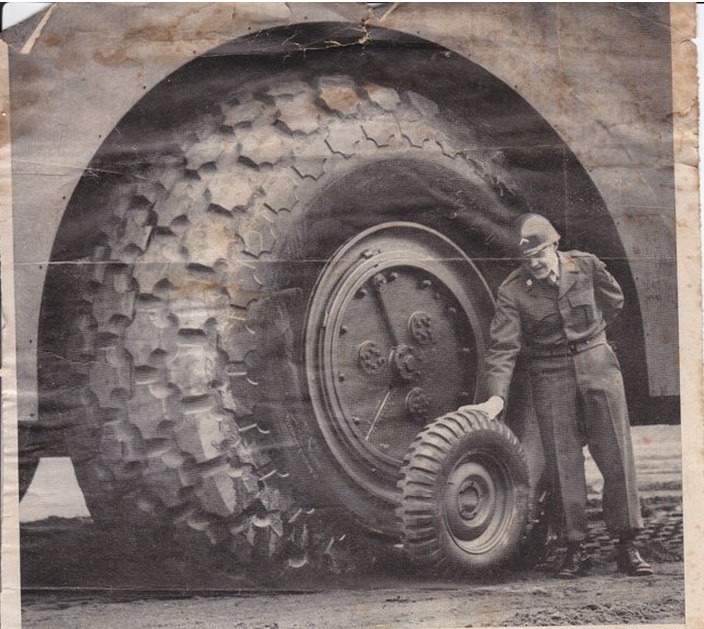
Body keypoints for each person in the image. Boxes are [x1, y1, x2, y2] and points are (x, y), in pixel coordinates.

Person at [464, 213, 652, 578]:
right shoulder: (513, 291)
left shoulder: (587, 266)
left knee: (616, 454)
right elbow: (503, 348)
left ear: (554, 245)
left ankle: (628, 545)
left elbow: (614, 302)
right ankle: (574, 548)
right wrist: (496, 397)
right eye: (526, 259)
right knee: (563, 463)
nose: (533, 264)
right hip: (550, 375)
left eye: (538, 254)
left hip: (598, 367)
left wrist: (592, 343)